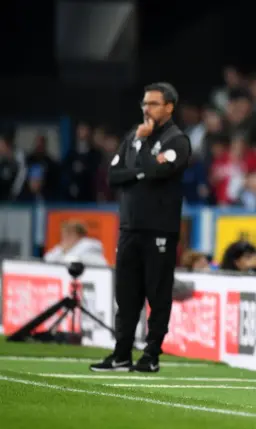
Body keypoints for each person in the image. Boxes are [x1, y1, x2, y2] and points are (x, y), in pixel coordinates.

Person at [90, 82, 192, 373]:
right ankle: (122, 354)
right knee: (126, 294)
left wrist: (144, 149)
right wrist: (141, 167)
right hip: (130, 227)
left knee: (157, 294)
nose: (146, 109)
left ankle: (151, 354)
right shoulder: (132, 136)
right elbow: (113, 176)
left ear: (169, 107)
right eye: (144, 104)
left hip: (160, 229)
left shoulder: (177, 140)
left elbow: (158, 172)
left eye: (153, 104)